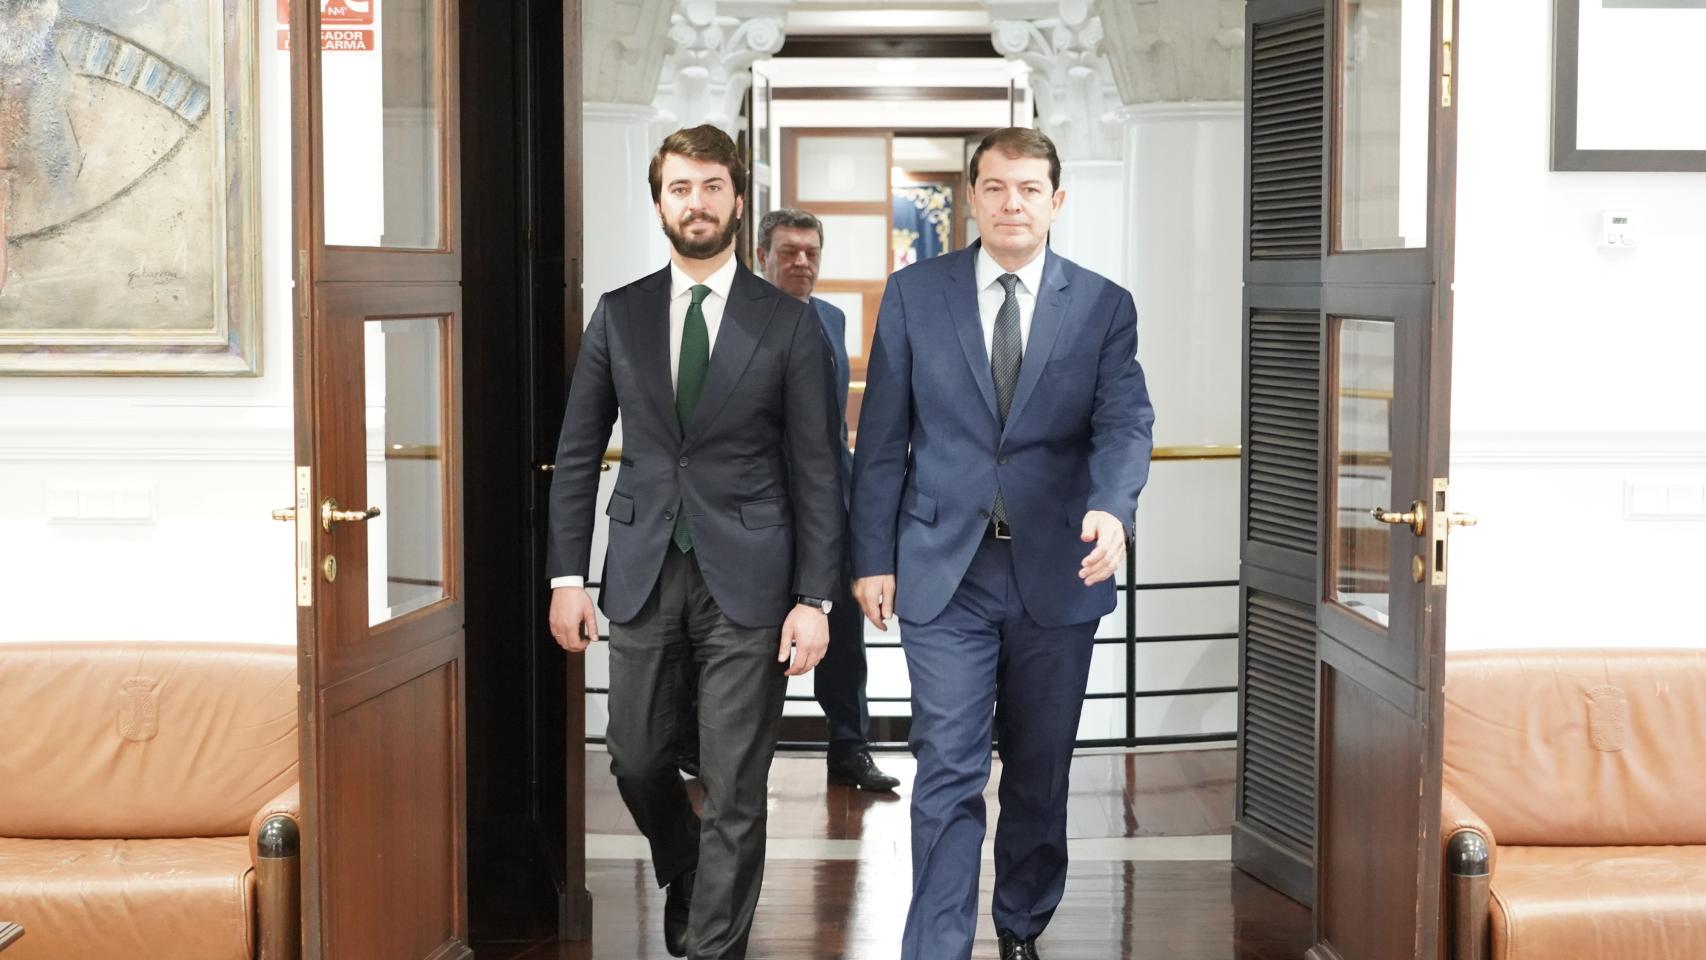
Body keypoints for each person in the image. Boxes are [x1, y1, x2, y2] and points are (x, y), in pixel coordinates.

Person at [849, 127, 1155, 960]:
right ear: (971, 199)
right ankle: (936, 945)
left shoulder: (1102, 305)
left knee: (1038, 765)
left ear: (1056, 201)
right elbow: (881, 439)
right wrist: (871, 557)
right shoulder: (915, 294)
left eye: (1028, 189)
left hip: (1058, 566)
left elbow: (1125, 423)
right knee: (947, 763)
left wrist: (1113, 509)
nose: (1011, 203)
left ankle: (1021, 922)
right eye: (994, 187)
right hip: (945, 570)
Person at [546, 124, 845, 960]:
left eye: (713, 186)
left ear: (738, 201)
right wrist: (567, 576)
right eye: (680, 188)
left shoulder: (787, 324)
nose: (697, 202)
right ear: (659, 204)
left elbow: (819, 469)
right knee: (636, 758)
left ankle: (716, 947)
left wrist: (814, 598)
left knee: (736, 781)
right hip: (643, 568)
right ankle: (685, 860)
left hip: (752, 578)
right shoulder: (620, 314)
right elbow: (578, 453)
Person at [752, 207, 900, 793]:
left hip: (831, 507)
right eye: (788, 252)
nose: (801, 262)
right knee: (755, 637)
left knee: (844, 639)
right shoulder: (739, 320)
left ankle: (849, 748)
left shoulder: (831, 319)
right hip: (760, 510)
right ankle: (731, 756)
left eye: (811, 252)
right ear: (761, 255)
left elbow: (836, 428)